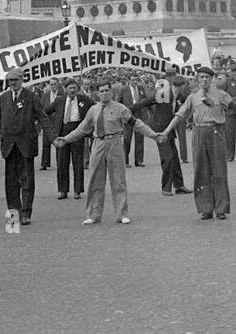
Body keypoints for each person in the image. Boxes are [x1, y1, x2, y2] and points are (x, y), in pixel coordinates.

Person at [161, 67, 236, 220]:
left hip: (216, 133)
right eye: (201, 77)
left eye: (207, 77)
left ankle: (221, 208)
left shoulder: (221, 95)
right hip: (199, 133)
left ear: (212, 79)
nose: (204, 80)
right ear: (197, 79)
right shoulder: (193, 97)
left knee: (219, 171)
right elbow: (180, 115)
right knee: (201, 171)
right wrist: (166, 131)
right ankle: (205, 208)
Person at [54, 78, 160, 225]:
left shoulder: (120, 108)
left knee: (118, 180)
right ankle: (93, 214)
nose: (104, 93)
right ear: (97, 93)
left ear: (111, 92)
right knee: (95, 180)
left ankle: (122, 214)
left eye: (107, 90)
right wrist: (65, 139)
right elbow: (82, 129)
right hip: (98, 144)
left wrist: (153, 135)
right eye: (101, 91)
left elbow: (136, 123)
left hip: (115, 143)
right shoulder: (93, 110)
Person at [0, 68, 56, 225]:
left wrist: (53, 138)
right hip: (9, 145)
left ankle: (26, 213)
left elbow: (43, 118)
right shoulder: (4, 98)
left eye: (15, 80)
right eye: (10, 81)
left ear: (21, 80)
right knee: (11, 181)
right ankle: (14, 213)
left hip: (26, 144)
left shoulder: (31, 97)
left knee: (27, 180)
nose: (12, 83)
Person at [50, 79, 92, 199]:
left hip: (77, 131)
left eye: (74, 88)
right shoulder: (59, 100)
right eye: (70, 88)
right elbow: (46, 112)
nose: (72, 90)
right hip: (62, 132)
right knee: (62, 162)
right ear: (65, 89)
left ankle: (77, 190)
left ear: (77, 88)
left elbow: (96, 107)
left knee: (78, 162)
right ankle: (63, 190)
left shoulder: (84, 99)